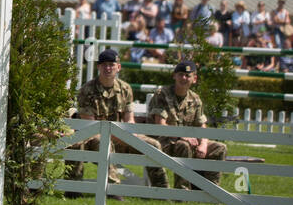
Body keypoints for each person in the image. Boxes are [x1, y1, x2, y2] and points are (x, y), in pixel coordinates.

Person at [65, 49, 168, 195]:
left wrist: (132, 136)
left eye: (112, 65)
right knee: (103, 141)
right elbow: (91, 127)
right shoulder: (87, 90)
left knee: (153, 145)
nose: (108, 68)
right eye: (104, 65)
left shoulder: (125, 89)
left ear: (118, 67)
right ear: (98, 67)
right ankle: (113, 190)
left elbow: (129, 120)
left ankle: (163, 192)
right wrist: (122, 136)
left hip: (122, 137)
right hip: (93, 139)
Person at [150, 60, 225, 190]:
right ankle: (183, 191)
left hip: (191, 142)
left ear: (194, 79)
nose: (184, 78)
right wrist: (183, 137)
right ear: (174, 76)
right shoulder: (162, 94)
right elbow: (160, 125)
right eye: (180, 74)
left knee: (220, 148)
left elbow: (201, 125)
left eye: (188, 75)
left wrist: (203, 144)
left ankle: (211, 190)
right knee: (183, 146)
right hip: (165, 142)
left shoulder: (195, 99)